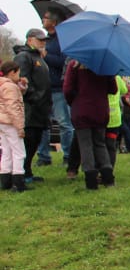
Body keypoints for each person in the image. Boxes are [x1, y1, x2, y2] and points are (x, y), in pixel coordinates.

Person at [62, 60, 119, 189]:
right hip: (100, 109)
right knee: (100, 143)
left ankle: (91, 179)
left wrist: (75, 101)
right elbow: (113, 89)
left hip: (81, 108)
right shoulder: (105, 66)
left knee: (85, 144)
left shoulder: (75, 65)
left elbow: (67, 89)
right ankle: (108, 177)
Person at [13, 27, 51, 185]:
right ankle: (21, 173)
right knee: (28, 141)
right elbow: (23, 80)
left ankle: (27, 170)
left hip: (41, 107)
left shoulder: (39, 57)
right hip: (30, 107)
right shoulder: (24, 56)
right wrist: (35, 97)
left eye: (44, 40)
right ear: (30, 40)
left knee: (35, 141)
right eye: (39, 39)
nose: (43, 43)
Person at [38, 10, 74, 172]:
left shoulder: (63, 40)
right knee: (42, 123)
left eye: (45, 18)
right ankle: (43, 156)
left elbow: (64, 63)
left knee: (64, 123)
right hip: (43, 87)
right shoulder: (45, 40)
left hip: (58, 88)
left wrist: (45, 56)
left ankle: (68, 155)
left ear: (54, 22)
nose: (42, 20)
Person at [0, 60, 26, 192]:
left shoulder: (3, 85)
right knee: (19, 152)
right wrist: (19, 127)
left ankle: (5, 180)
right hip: (11, 123)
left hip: (2, 122)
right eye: (18, 73)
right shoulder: (10, 87)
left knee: (6, 151)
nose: (19, 76)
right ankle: (18, 181)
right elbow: (13, 107)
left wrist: (22, 86)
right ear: (12, 72)